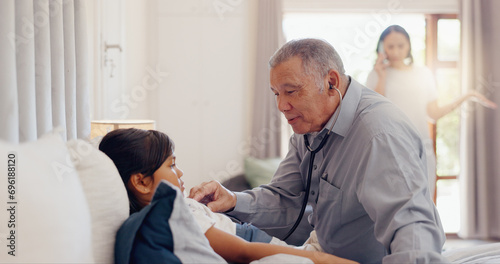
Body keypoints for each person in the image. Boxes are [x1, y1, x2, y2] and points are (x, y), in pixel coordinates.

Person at [189, 38, 449, 263]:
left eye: (290, 91)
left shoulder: (379, 135)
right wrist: (233, 200)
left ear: (331, 82)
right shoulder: (309, 127)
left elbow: (411, 226)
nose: (281, 105)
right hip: (324, 253)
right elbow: (285, 198)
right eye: (275, 94)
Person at [98, 128, 356, 264]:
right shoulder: (174, 216)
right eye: (171, 165)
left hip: (277, 242)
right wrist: (322, 260)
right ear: (141, 182)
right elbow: (243, 252)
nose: (181, 171)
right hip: (270, 247)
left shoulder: (180, 209)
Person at [366, 25, 497, 197]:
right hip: (390, 149)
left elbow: (433, 113)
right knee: (393, 206)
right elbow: (375, 112)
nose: (396, 51)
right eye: (390, 46)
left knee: (424, 205)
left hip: (421, 149)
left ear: (409, 46)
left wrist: (467, 95)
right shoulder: (376, 75)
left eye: (401, 45)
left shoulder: (423, 73)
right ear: (382, 48)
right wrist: (382, 76)